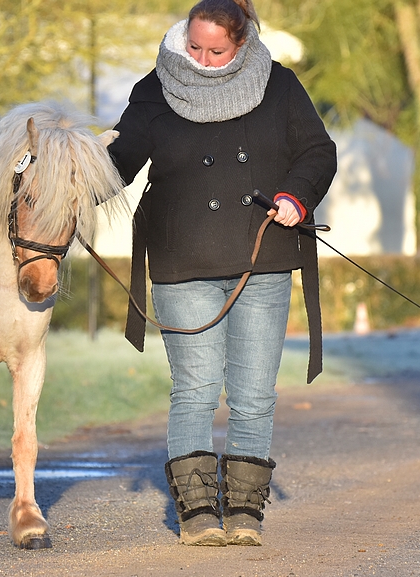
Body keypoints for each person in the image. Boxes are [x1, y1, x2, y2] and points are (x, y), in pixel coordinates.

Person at [107, 0, 337, 546]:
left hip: (263, 259)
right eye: (195, 48)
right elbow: (119, 162)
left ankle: (244, 514)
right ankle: (196, 516)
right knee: (194, 392)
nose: (203, 60)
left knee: (254, 394)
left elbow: (318, 152)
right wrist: (73, 178)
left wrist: (296, 198)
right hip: (181, 261)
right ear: (184, 37)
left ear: (242, 44)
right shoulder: (153, 89)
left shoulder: (278, 86)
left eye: (217, 51)